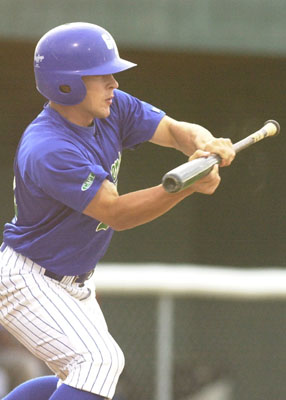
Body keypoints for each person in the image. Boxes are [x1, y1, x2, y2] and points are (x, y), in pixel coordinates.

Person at [0, 22, 235, 400]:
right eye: (101, 75)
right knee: (98, 363)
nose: (114, 83)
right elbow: (116, 212)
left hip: (71, 279)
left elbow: (175, 131)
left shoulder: (111, 110)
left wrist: (205, 146)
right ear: (66, 83)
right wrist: (186, 185)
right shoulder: (49, 147)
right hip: (30, 279)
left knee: (91, 373)